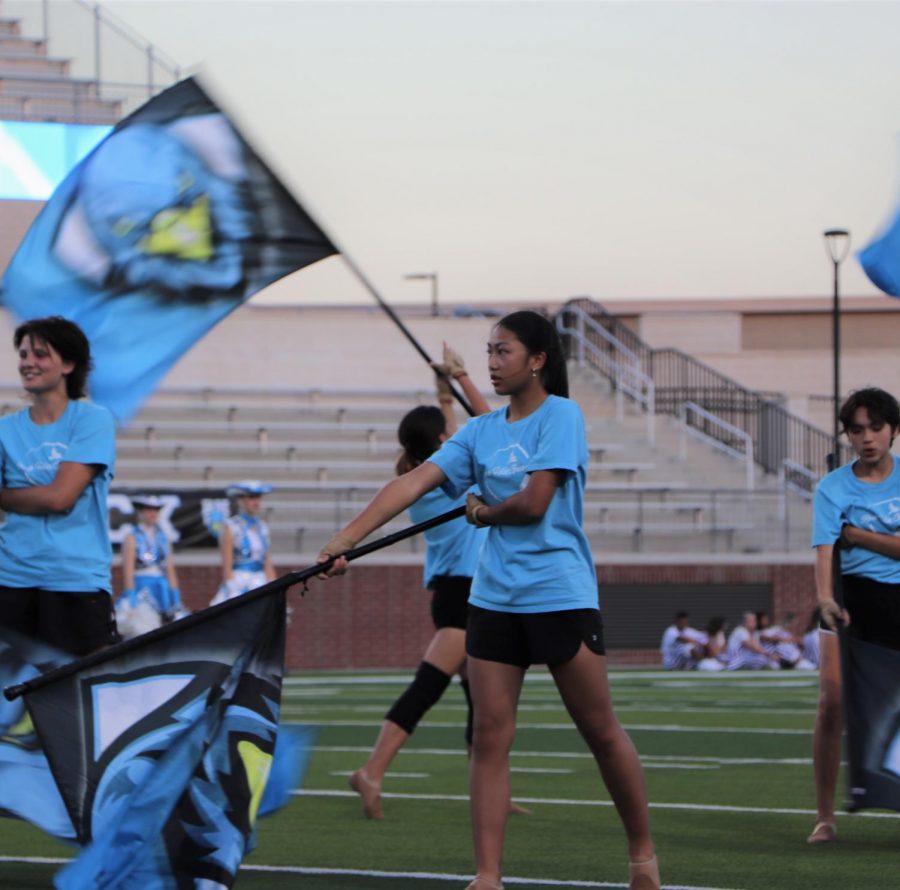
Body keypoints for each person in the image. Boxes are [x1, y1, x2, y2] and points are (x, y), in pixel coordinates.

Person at [319, 311, 659, 890]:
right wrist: (346, 538)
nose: (492, 362)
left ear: (537, 360)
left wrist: (480, 512)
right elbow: (410, 484)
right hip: (494, 600)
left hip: (559, 595)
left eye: (502, 352)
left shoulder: (563, 417)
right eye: (488, 351)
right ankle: (488, 875)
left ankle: (642, 855)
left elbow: (533, 504)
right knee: (490, 739)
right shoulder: (481, 432)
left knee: (600, 730)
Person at [348, 344, 496, 820]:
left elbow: (452, 430)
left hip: (457, 591)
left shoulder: (423, 472)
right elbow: (488, 426)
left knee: (482, 696)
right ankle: (372, 770)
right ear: (438, 439)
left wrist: (442, 390)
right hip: (461, 594)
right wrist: (463, 377)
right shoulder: (446, 477)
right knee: (427, 688)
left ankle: (490, 790)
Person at [808, 387, 900, 844]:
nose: (867, 438)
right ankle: (826, 814)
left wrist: (856, 534)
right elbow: (824, 549)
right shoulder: (832, 487)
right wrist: (825, 598)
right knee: (832, 701)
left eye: (876, 428)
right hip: (850, 600)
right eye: (857, 430)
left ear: (893, 431)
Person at [0, 316, 118, 656]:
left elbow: (60, 497)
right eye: (24, 355)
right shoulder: (5, 428)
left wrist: (7, 496)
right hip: (11, 580)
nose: (28, 363)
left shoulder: (94, 420)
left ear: (68, 363)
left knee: (76, 701)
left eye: (40, 354)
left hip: (76, 583)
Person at [116, 494, 186, 636]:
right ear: (140, 512)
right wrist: (131, 596)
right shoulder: (132, 537)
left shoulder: (163, 538)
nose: (152, 514)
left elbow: (170, 569)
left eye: (155, 510)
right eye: (148, 510)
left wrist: (175, 596)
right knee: (142, 626)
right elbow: (128, 570)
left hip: (161, 586)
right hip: (142, 587)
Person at [210, 480, 275, 604]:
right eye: (251, 497)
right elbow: (227, 564)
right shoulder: (231, 526)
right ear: (241, 500)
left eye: (258, 497)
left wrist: (274, 587)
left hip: (260, 580)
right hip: (238, 580)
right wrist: (232, 588)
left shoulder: (263, 527)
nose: (256, 502)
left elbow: (268, 564)